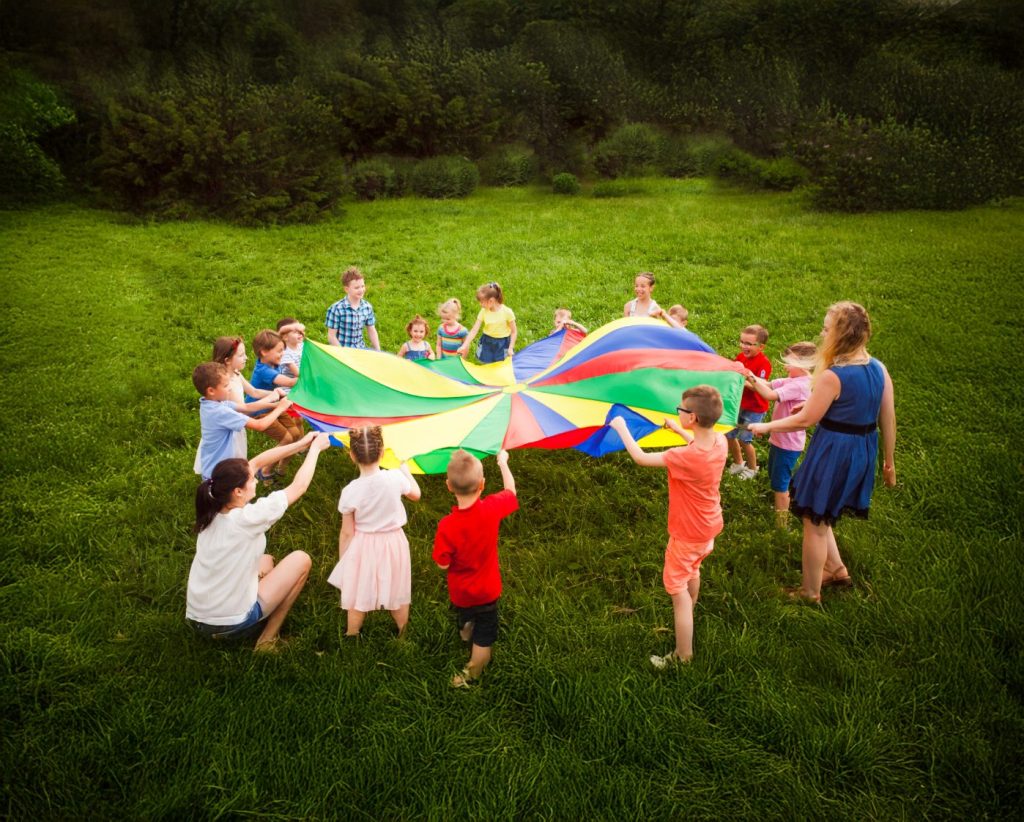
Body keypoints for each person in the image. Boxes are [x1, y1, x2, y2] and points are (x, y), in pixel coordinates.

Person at [750, 302, 897, 602]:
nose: (822, 332)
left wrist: (766, 428)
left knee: (814, 521)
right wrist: (889, 464)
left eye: (827, 329)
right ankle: (836, 568)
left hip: (834, 451)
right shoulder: (878, 368)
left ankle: (809, 592)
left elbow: (806, 419)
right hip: (862, 450)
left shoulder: (834, 375)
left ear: (841, 336)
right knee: (823, 511)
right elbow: (887, 418)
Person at [610, 385, 728, 667]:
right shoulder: (720, 442)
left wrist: (621, 427)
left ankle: (682, 655)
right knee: (693, 569)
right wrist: (678, 430)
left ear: (693, 418)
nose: (678, 410)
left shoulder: (683, 457)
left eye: (681, 409)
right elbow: (696, 444)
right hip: (709, 525)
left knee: (677, 588)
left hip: (687, 533)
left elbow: (640, 458)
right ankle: (691, 610)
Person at [187, 431, 332, 651]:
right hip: (232, 625)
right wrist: (314, 450)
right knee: (301, 560)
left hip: (197, 620)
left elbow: (255, 463)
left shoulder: (211, 514)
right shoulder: (248, 518)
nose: (255, 478)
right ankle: (267, 640)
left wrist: (300, 444)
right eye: (252, 479)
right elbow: (298, 487)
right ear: (238, 491)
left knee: (266, 560)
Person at [433, 449, 518, 688]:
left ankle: (466, 632)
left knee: (466, 615)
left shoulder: (447, 526)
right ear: (482, 484)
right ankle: (474, 669)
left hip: (461, 592)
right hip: (488, 591)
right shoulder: (492, 508)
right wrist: (503, 463)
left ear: (448, 486)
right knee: (485, 633)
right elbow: (511, 491)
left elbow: (442, 563)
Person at [326, 426, 422, 638]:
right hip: (394, 543)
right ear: (382, 452)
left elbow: (347, 532)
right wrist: (404, 467)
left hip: (364, 546)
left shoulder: (350, 491)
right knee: (397, 588)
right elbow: (416, 494)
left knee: (359, 589)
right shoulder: (394, 478)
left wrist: (345, 561)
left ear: (352, 456)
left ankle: (352, 633)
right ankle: (403, 632)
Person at [745, 342, 816, 528]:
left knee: (780, 484)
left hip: (788, 444)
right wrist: (748, 375)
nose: (785, 366)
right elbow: (767, 384)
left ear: (804, 364)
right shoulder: (793, 379)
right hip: (780, 440)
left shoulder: (801, 385)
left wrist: (750, 378)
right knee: (776, 475)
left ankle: (781, 524)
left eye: (789, 362)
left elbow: (769, 395)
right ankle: (789, 498)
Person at [191, 336, 285, 475]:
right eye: (241, 355)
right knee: (231, 464)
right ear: (227, 360)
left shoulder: (231, 379)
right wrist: (279, 406)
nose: (246, 357)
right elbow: (252, 417)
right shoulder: (221, 397)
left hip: (233, 426)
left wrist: (275, 399)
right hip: (231, 432)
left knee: (232, 465)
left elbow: (251, 396)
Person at [250, 330, 305, 479]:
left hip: (275, 405)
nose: (282, 354)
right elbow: (289, 382)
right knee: (287, 439)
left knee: (295, 434)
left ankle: (281, 468)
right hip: (259, 410)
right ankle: (263, 469)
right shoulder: (264, 370)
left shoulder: (270, 361)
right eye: (279, 351)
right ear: (264, 352)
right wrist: (309, 376)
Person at [726, 324, 771, 479]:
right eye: (742, 342)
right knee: (729, 435)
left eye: (749, 344)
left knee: (745, 439)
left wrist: (741, 381)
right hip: (739, 404)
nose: (743, 346)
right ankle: (739, 462)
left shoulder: (764, 363)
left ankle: (752, 468)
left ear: (761, 347)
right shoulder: (740, 357)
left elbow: (760, 386)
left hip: (755, 409)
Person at [458, 282, 517, 363]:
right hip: (487, 342)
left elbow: (514, 332)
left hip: (502, 344)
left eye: (482, 302)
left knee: (501, 365)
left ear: (491, 301)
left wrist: (510, 348)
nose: (480, 304)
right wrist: (464, 345)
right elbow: (474, 330)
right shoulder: (483, 311)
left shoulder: (507, 312)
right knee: (486, 364)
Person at [326, 266, 381, 350]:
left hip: (359, 350)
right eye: (356, 288)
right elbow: (331, 336)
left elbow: (371, 330)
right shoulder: (337, 309)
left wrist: (378, 350)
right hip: (341, 351)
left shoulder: (367, 307)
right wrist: (343, 353)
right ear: (346, 289)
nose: (361, 290)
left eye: (362, 286)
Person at [275, 318, 306, 390]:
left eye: (300, 331)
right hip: (289, 386)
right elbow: (298, 374)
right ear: (285, 337)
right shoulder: (285, 353)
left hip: (302, 380)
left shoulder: (301, 345)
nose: (300, 334)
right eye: (295, 332)